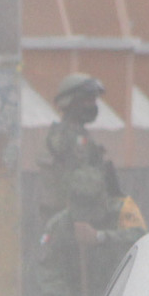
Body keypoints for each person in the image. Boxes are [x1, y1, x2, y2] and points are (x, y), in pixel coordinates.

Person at [38, 164, 147, 296]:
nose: (86, 218)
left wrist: (101, 238)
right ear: (70, 202)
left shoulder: (122, 213)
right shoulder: (57, 227)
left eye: (92, 209)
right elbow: (47, 274)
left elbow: (142, 240)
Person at [41, 73, 111, 216]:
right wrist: (102, 175)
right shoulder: (63, 136)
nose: (92, 106)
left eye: (94, 100)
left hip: (80, 214)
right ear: (70, 101)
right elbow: (76, 181)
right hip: (69, 217)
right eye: (87, 100)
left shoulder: (79, 134)